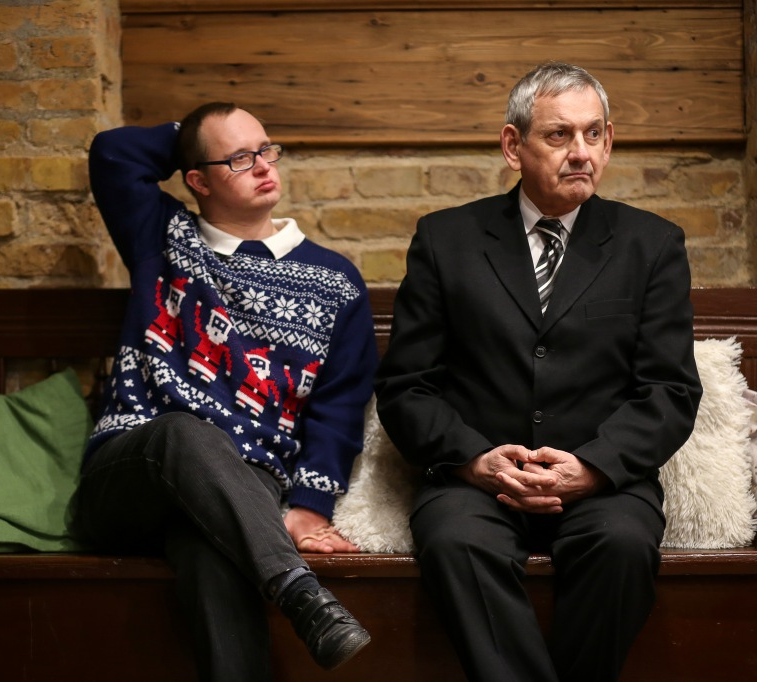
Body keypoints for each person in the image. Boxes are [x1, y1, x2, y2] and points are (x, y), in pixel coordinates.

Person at [374, 62, 703, 682]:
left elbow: (670, 389)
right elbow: (405, 387)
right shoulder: (446, 240)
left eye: (593, 134)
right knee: (454, 543)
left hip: (604, 483)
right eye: (559, 135)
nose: (581, 152)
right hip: (475, 481)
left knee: (624, 545)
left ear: (609, 140)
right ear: (512, 145)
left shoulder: (651, 244)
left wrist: (593, 468)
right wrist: (474, 460)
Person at [75, 102, 377, 680]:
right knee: (184, 433)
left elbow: (338, 407)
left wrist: (309, 506)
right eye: (239, 159)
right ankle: (299, 591)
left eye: (266, 150)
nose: (263, 166)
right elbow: (113, 154)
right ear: (197, 180)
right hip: (132, 472)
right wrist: (194, 136)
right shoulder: (160, 235)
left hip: (245, 485)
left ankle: (292, 595)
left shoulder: (335, 281)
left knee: (210, 548)